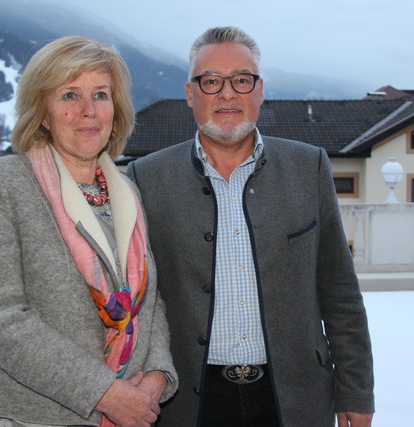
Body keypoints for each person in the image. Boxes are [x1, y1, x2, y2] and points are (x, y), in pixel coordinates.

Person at [126, 26, 374, 427]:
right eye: (211, 82)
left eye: (242, 80)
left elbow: (339, 291)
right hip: (188, 402)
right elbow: (139, 300)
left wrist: (356, 391)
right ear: (191, 94)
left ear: (259, 91)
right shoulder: (145, 178)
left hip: (295, 398)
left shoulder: (308, 166)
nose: (227, 94)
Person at [0, 36, 177, 427]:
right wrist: (104, 393)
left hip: (130, 411)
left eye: (100, 94)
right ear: (42, 112)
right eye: (69, 96)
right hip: (31, 418)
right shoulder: (2, 183)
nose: (88, 111)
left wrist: (159, 375)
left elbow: (149, 298)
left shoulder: (126, 191)